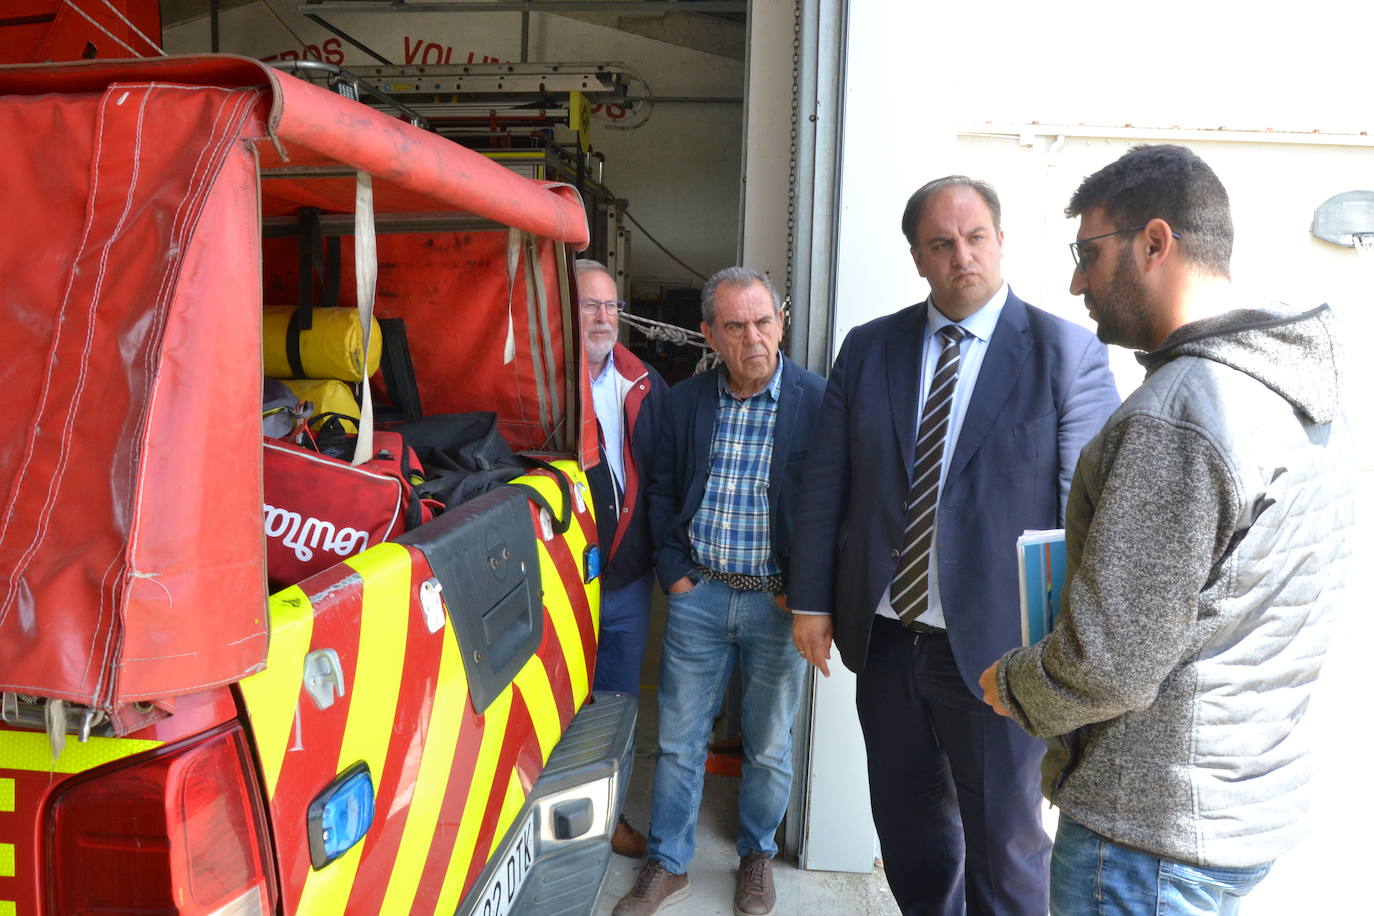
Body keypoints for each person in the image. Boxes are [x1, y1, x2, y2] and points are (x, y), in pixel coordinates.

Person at [980, 144, 1355, 915]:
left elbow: (1110, 666)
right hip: (1236, 809)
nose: (1076, 280)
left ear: (1156, 242)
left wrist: (1014, 684)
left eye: (1088, 252)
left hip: (1146, 839)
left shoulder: (1185, 414)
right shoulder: (1296, 387)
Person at [788, 176, 1120, 915]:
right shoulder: (870, 348)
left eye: (974, 238)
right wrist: (810, 600)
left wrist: (1068, 656)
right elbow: (825, 485)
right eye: (941, 243)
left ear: (1001, 241)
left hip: (1002, 655)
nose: (961, 255)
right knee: (910, 834)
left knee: (1004, 848)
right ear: (917, 258)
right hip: (885, 639)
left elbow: (1089, 523)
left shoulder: (1065, 355)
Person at [613, 267, 825, 916]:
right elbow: (661, 491)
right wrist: (676, 575)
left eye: (763, 322)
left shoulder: (819, 403)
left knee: (766, 743)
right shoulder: (682, 402)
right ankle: (668, 863)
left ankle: (756, 856)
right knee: (678, 739)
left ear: (781, 324)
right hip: (699, 597)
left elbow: (831, 508)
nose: (752, 338)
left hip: (776, 604)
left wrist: (808, 591)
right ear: (708, 334)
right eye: (734, 326)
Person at [576, 259, 668, 859]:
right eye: (590, 305)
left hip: (626, 582)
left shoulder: (642, 380)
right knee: (556, 706)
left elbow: (662, 478)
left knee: (616, 706)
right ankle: (559, 826)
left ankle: (610, 818)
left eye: (611, 305)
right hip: (558, 581)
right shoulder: (537, 380)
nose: (604, 318)